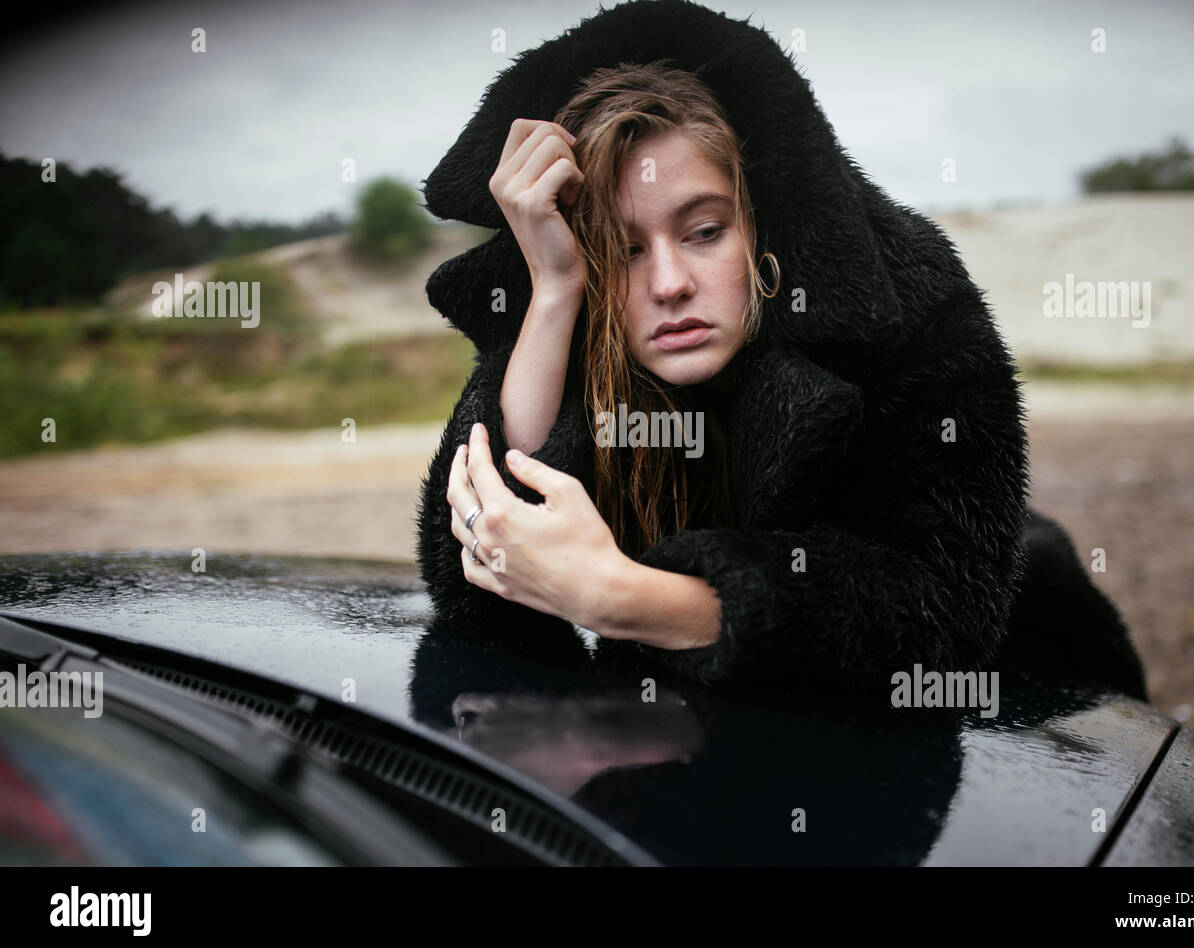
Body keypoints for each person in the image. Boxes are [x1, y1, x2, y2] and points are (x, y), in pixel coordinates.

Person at [416, 0, 1147, 701]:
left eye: (705, 232)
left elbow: (931, 610)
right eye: (626, 250)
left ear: (759, 228)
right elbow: (476, 584)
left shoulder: (908, 307)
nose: (670, 284)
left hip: (1029, 691)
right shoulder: (580, 309)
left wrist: (617, 595)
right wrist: (553, 288)